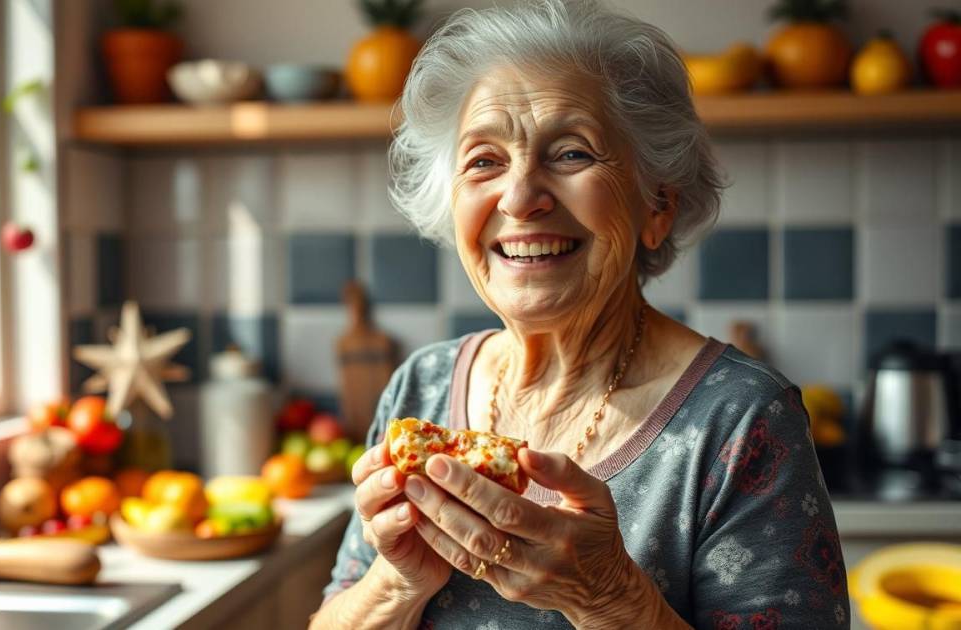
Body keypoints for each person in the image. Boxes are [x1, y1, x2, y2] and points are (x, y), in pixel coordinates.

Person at [310, 1, 848, 628]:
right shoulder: (421, 386)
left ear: (657, 206)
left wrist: (612, 597)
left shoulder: (741, 421)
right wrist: (396, 583)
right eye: (483, 160)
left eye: (570, 154)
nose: (519, 197)